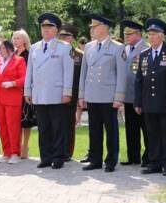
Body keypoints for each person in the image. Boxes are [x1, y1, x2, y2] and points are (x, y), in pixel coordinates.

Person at [25, 13, 74, 169]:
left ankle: (58, 158)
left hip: (56, 93)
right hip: (39, 93)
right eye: (43, 27)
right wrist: (27, 91)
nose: (45, 30)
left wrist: (67, 92)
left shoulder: (64, 48)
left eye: (49, 27)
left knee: (58, 127)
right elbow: (29, 71)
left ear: (56, 30)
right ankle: (45, 157)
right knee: (43, 128)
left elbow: (68, 71)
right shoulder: (34, 47)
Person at [134, 18, 166, 175]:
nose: (151, 36)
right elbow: (139, 80)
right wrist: (138, 102)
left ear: (163, 36)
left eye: (155, 34)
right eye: (150, 34)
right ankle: (154, 163)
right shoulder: (144, 55)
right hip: (149, 102)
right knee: (152, 134)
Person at [79, 14, 126, 172]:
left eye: (95, 26)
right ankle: (95, 160)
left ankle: (111, 160)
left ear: (104, 28)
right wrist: (82, 95)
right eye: (91, 27)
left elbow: (121, 74)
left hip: (108, 95)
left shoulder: (117, 48)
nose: (91, 29)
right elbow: (84, 73)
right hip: (92, 94)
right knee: (94, 130)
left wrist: (119, 97)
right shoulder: (89, 47)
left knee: (111, 130)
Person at [0, 39, 26, 163]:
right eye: (0, 48)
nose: (0, 51)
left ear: (10, 49)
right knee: (2, 126)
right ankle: (6, 152)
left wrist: (13, 83)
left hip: (12, 97)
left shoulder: (19, 60)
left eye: (3, 48)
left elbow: (24, 78)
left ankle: (15, 153)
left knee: (13, 126)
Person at [119, 19, 150, 167]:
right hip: (128, 96)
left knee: (146, 129)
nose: (126, 37)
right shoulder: (125, 49)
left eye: (129, 34)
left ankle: (148, 157)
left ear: (138, 34)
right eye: (125, 34)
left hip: (142, 96)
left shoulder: (147, 48)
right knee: (131, 129)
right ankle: (133, 157)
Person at [58, 24, 83, 162]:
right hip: (56, 93)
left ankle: (67, 151)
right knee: (56, 123)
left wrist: (80, 96)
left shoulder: (79, 55)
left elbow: (81, 77)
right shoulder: (54, 52)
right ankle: (57, 149)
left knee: (68, 122)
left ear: (72, 38)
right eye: (61, 36)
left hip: (72, 93)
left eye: (67, 36)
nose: (64, 39)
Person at [13, 29, 35, 158]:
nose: (16, 41)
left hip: (25, 91)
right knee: (15, 121)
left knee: (26, 120)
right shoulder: (12, 54)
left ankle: (25, 145)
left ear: (24, 40)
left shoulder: (29, 54)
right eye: (14, 38)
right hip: (13, 91)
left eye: (18, 38)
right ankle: (16, 146)